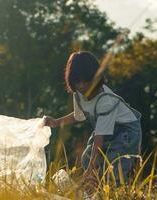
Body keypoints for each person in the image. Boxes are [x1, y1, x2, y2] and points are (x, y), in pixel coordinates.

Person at [44, 51, 142, 189]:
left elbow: (99, 138)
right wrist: (56, 122)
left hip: (125, 131)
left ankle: (113, 192)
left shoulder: (106, 101)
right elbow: (78, 115)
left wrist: (91, 169)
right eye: (77, 81)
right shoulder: (79, 94)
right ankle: (97, 191)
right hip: (103, 131)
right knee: (87, 158)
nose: (82, 86)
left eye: (86, 81)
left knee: (114, 167)